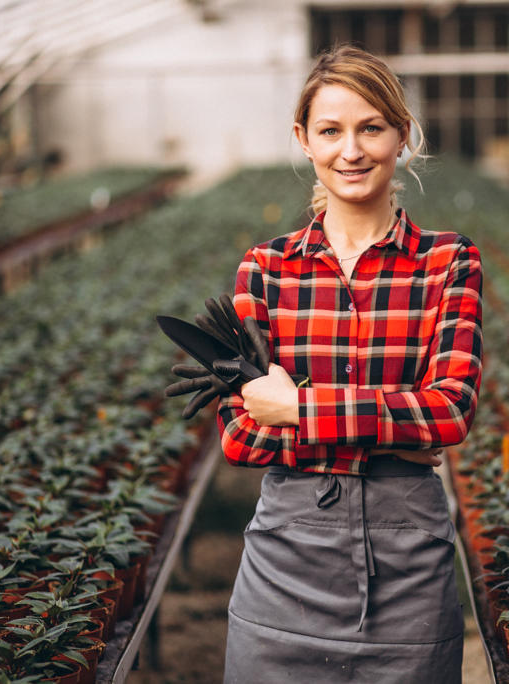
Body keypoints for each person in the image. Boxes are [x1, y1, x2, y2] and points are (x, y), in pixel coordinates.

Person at [197, 45, 482, 683]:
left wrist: (296, 408)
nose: (350, 151)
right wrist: (393, 431)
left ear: (401, 136)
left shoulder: (447, 262)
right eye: (330, 131)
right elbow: (241, 435)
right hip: (284, 562)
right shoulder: (266, 267)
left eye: (371, 127)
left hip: (408, 565)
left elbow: (451, 411)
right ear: (304, 139)